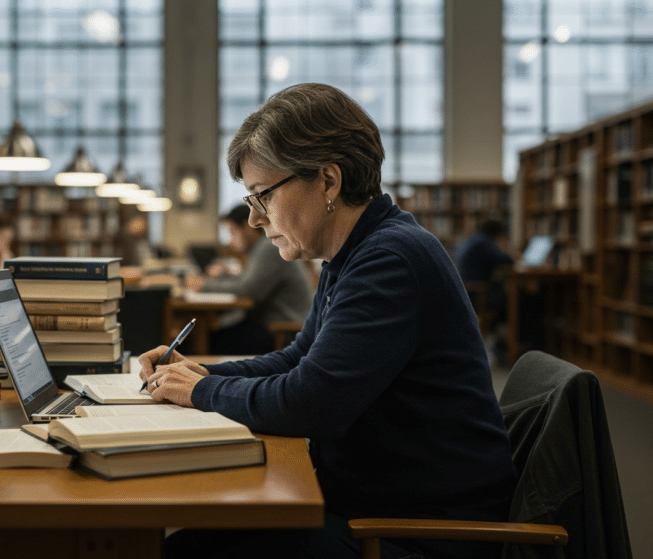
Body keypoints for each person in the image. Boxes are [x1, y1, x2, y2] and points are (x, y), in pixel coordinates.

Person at [137, 83, 517, 559]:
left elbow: (308, 402)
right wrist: (198, 374)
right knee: (185, 545)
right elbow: (300, 359)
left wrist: (199, 391)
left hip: (419, 533)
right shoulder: (355, 253)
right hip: (374, 506)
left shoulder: (389, 260)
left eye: (263, 196)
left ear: (329, 182)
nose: (254, 220)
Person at [185, 204, 314, 355]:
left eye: (232, 232)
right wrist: (216, 279)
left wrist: (203, 285)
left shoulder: (269, 248)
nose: (230, 241)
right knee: (207, 335)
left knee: (203, 341)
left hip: (282, 331)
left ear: (247, 227)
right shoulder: (261, 248)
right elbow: (245, 281)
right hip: (273, 325)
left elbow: (248, 290)